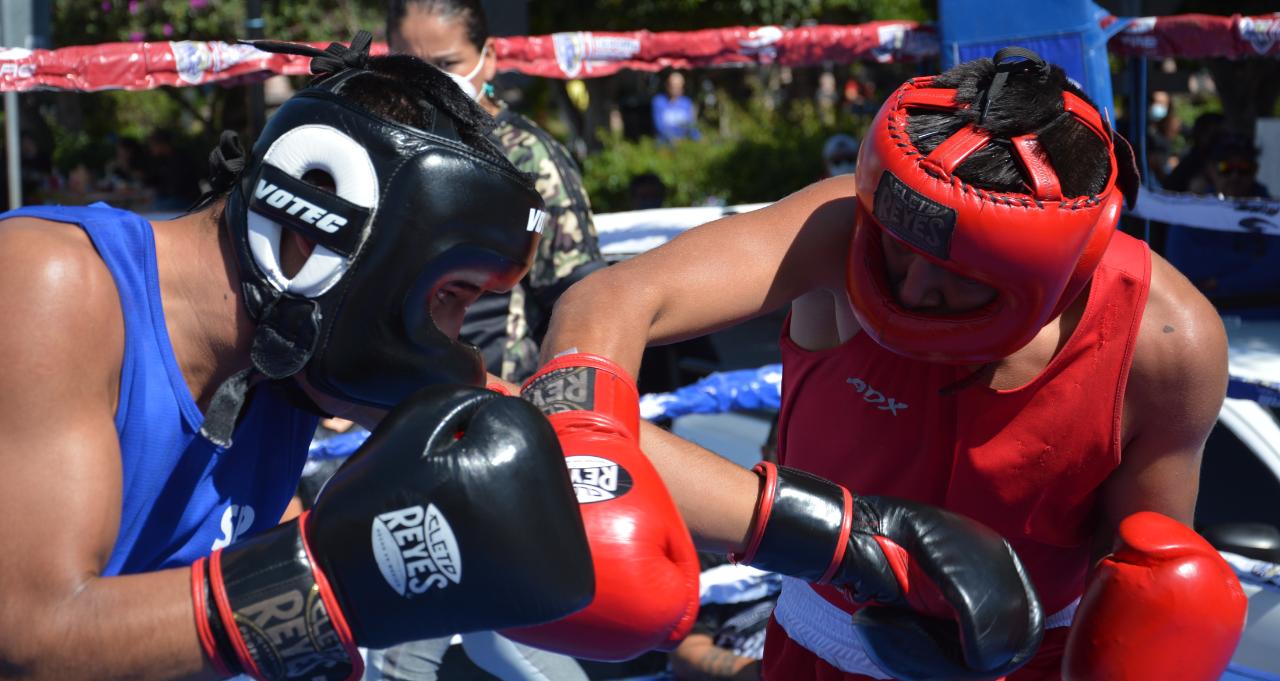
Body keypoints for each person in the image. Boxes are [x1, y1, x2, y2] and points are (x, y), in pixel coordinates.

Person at [533, 48, 1248, 680]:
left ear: (1064, 266)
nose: (909, 285)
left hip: (1028, 664)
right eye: (901, 244)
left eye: (957, 269)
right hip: (820, 648)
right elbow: (616, 296)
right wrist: (583, 448)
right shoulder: (845, 232)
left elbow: (1137, 584)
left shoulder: (1163, 343)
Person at [0, 34, 606, 681]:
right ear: (315, 225)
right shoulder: (52, 282)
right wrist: (325, 582)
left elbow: (546, 435)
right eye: (450, 293)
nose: (454, 334)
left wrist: (729, 521)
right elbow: (34, 634)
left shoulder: (287, 361)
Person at [388, 0, 605, 384]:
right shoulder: (386, 147)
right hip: (390, 401)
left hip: (499, 398)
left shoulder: (530, 158)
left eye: (446, 65)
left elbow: (582, 302)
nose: (429, 83)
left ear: (487, 58)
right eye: (411, 67)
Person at [1164, 133, 1280, 315]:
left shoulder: (1274, 214)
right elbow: (1184, 271)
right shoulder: (1190, 216)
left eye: (1244, 169)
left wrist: (1221, 283)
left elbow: (1274, 271)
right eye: (1225, 168)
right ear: (1210, 169)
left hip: (1268, 319)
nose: (1235, 176)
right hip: (1206, 319)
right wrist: (1251, 266)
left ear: (1255, 169)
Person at [653, 71, 701, 144]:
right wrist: (674, 139)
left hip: (685, 142)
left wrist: (698, 139)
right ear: (667, 85)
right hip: (665, 144)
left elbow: (691, 125)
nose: (675, 89)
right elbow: (660, 126)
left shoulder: (686, 103)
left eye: (678, 86)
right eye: (673, 86)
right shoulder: (659, 101)